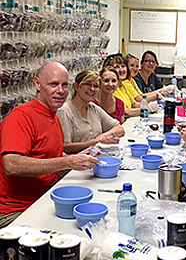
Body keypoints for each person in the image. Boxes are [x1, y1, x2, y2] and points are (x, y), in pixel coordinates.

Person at [0, 62, 98, 226]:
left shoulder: (52, 115)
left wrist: (77, 159)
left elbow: (48, 154)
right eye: (53, 84)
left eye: (64, 85)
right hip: (16, 211)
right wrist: (66, 162)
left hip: (44, 199)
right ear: (37, 84)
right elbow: (11, 164)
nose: (60, 91)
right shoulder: (21, 117)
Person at [57, 69, 125, 152]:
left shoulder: (93, 108)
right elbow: (65, 147)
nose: (92, 89)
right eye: (88, 84)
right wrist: (95, 142)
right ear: (76, 86)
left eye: (96, 86)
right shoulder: (64, 111)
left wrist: (102, 137)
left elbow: (119, 129)